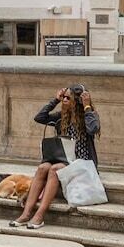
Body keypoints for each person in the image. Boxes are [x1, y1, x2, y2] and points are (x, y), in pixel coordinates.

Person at [11, 84, 101, 231]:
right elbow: (39, 118)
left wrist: (87, 107)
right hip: (65, 160)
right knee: (43, 167)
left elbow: (93, 129)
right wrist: (55, 100)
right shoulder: (62, 117)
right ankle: (26, 213)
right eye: (63, 97)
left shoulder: (88, 115)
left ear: (77, 100)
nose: (64, 100)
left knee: (54, 169)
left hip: (82, 163)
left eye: (68, 97)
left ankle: (39, 216)